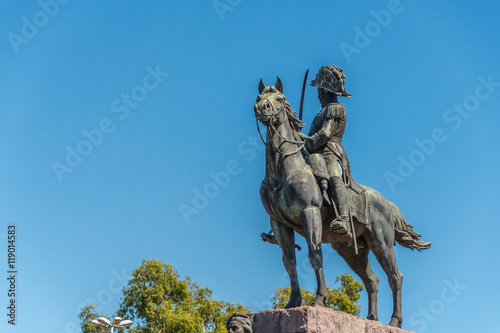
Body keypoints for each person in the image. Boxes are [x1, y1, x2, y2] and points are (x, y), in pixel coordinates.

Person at [304, 65, 356, 238]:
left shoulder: (335, 108)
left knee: (334, 176)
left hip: (330, 152)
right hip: (313, 152)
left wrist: (307, 141)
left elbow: (325, 133)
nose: (318, 93)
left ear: (325, 91)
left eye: (319, 89)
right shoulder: (321, 112)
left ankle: (344, 219)